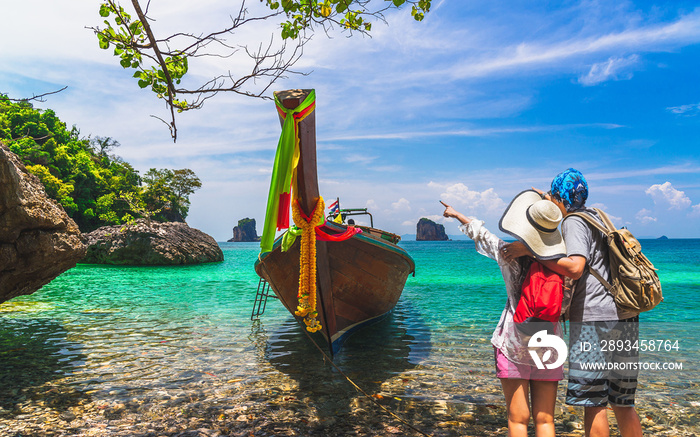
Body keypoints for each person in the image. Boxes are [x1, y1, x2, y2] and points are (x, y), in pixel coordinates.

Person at [505, 168, 643, 437]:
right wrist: (543, 193)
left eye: (552, 199)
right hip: (625, 316)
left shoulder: (574, 222)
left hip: (594, 320)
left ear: (559, 198)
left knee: (594, 403)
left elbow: (575, 267)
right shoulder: (600, 217)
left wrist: (531, 251)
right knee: (622, 402)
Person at [442, 190, 567, 437]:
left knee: (518, 420)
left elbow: (482, 235)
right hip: (551, 342)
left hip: (514, 339)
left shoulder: (508, 253)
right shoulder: (563, 259)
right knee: (546, 421)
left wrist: (456, 214)